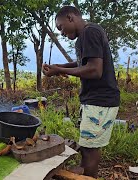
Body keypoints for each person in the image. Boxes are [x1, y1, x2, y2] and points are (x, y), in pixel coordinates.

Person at [42, 6, 120, 178]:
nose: (61, 33)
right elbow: (83, 64)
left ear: (70, 18)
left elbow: (94, 70)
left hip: (100, 101)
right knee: (88, 148)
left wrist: (58, 70)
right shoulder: (86, 35)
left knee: (89, 151)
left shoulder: (89, 32)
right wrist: (58, 67)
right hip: (97, 101)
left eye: (60, 27)